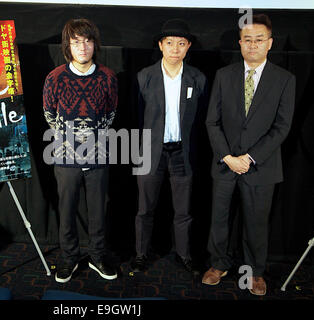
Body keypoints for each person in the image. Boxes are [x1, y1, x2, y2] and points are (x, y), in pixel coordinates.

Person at [203, 14, 295, 296]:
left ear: (269, 43)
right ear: (240, 43)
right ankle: (218, 264)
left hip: (261, 167)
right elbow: (212, 122)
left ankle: (254, 271)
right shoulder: (224, 75)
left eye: (259, 40)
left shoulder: (284, 79)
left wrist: (250, 158)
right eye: (247, 40)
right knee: (219, 219)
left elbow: (282, 127)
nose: (252, 45)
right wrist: (228, 157)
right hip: (225, 163)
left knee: (255, 222)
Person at [43, 18, 118, 283]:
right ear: (68, 46)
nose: (82, 47)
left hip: (99, 156)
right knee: (67, 211)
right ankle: (69, 258)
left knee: (98, 211)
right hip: (65, 157)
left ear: (94, 44)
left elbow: (110, 114)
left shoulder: (107, 77)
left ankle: (97, 256)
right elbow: (50, 115)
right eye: (76, 42)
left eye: (87, 41)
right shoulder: (55, 77)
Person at [130, 19, 207, 275]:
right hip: (151, 152)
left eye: (181, 44)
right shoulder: (144, 77)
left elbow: (202, 122)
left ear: (188, 47)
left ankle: (184, 255)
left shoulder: (198, 78)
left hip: (182, 153)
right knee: (144, 209)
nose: (175, 48)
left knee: (184, 210)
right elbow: (137, 118)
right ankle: (141, 254)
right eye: (170, 43)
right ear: (161, 46)